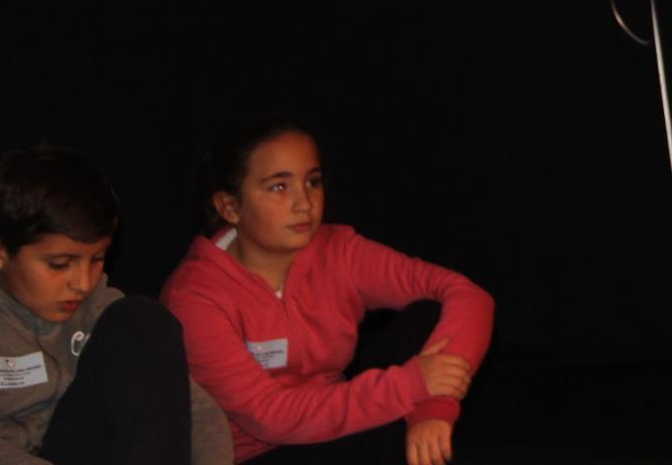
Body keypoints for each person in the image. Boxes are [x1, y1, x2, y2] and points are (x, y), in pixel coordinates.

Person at [161, 118, 493, 465]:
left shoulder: (338, 251)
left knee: (429, 313)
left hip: (335, 427)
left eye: (312, 182)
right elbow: (271, 418)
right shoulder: (194, 296)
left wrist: (432, 409)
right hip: (256, 453)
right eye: (279, 187)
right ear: (230, 207)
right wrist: (411, 385)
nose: (304, 203)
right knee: (395, 435)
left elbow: (467, 295)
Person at [0, 145, 232, 465]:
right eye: (60, 264)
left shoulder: (103, 309)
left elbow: (194, 409)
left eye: (96, 259)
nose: (82, 282)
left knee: (143, 318)